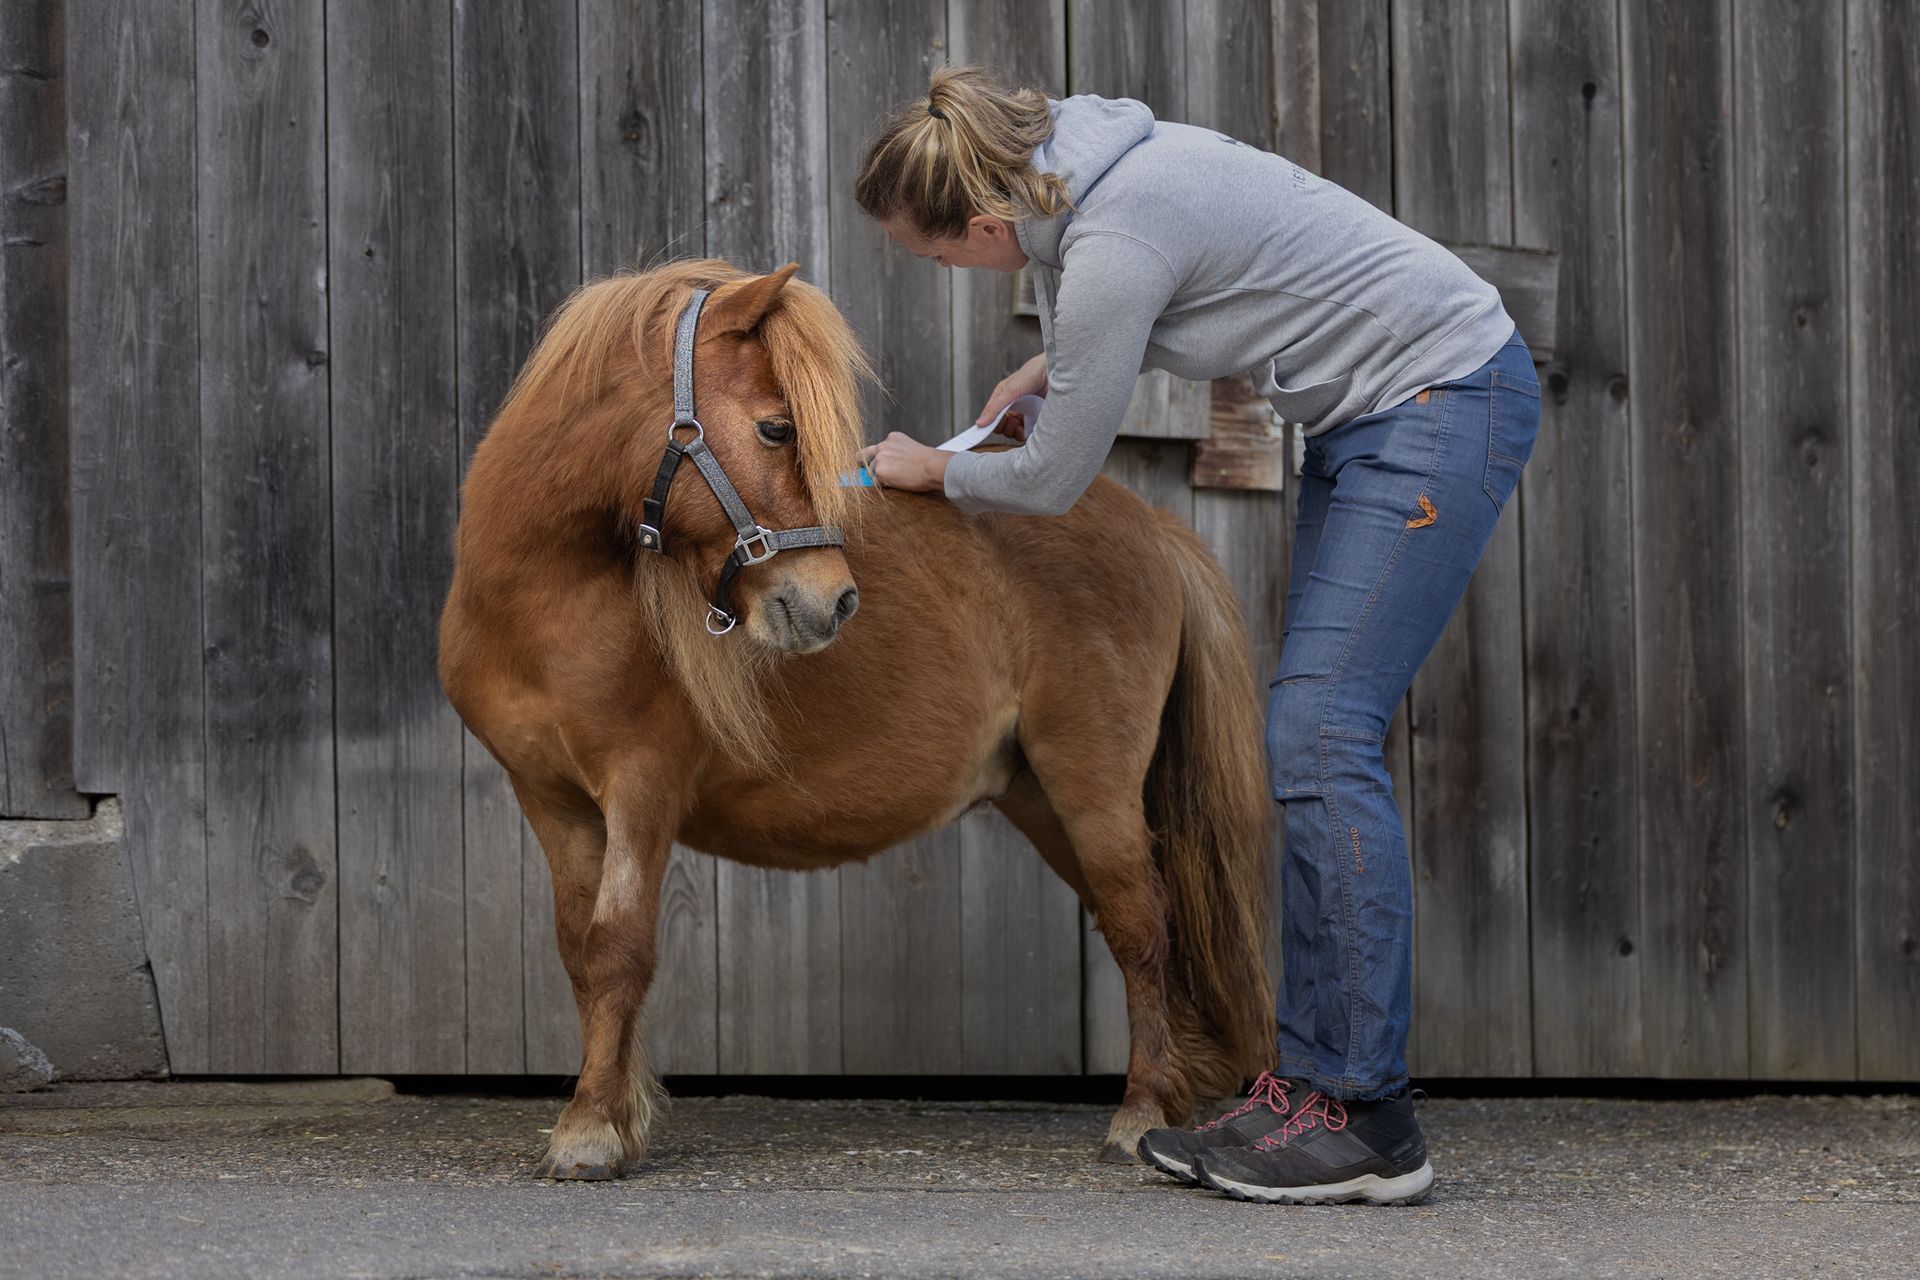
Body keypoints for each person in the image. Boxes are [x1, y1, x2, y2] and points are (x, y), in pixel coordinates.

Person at [854, 66, 1539, 1207]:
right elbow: (1184, 284)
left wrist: (931, 467)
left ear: (982, 221)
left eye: (935, 254)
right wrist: (1049, 364)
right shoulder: (1089, 164)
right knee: (1309, 739)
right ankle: (1313, 1088)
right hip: (1377, 417)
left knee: (1321, 738)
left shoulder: (1113, 229)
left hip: (1437, 400)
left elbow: (1053, 476)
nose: (946, 271)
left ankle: (1370, 1120)